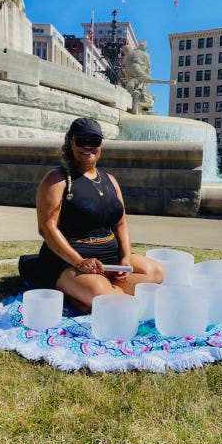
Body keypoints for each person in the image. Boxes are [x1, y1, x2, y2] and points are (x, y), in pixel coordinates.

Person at [36, 117, 164, 312]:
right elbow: (47, 228)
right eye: (81, 141)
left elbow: (121, 223)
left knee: (156, 272)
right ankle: (96, 293)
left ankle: (94, 296)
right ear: (71, 142)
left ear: (101, 144)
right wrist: (80, 262)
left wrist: (126, 256)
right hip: (69, 260)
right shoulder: (57, 179)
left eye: (94, 141)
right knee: (101, 294)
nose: (88, 146)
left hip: (109, 257)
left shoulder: (110, 180)